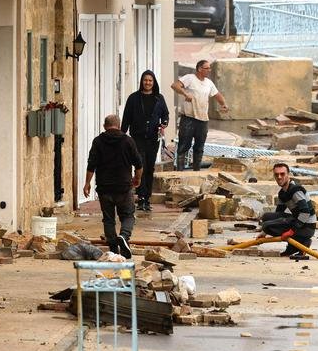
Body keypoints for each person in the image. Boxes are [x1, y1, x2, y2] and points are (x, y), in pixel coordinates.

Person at [83, 114, 143, 259]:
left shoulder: (98, 142)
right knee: (128, 215)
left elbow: (92, 165)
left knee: (108, 219)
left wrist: (87, 183)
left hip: (104, 188)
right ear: (119, 125)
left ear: (104, 126)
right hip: (123, 187)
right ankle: (124, 236)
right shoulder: (128, 141)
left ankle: (113, 249)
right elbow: (139, 163)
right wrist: (137, 178)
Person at [121, 70, 169, 212]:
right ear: (141, 81)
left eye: (150, 81)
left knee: (150, 167)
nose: (147, 83)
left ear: (154, 83)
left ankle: (147, 198)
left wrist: (164, 123)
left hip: (153, 138)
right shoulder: (133, 98)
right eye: (145, 80)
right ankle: (140, 196)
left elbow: (165, 114)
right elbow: (126, 118)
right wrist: (121, 135)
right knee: (140, 165)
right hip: (137, 137)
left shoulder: (159, 98)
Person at [171, 59, 229, 171]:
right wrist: (185, 93)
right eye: (207, 68)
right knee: (184, 146)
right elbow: (175, 85)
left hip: (203, 120)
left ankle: (196, 171)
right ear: (199, 69)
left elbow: (217, 94)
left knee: (199, 147)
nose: (209, 70)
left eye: (209, 68)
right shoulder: (189, 78)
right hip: (188, 118)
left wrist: (223, 104)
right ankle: (180, 172)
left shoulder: (209, 83)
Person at [259, 162, 317, 259]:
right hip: (298, 222)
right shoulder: (282, 193)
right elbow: (279, 214)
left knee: (267, 225)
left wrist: (291, 231)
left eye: (282, 174)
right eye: (276, 174)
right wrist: (264, 232)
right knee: (266, 217)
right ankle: (293, 246)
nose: (279, 177)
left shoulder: (295, 190)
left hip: (307, 227)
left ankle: (303, 242)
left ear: (288, 174)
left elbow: (305, 213)